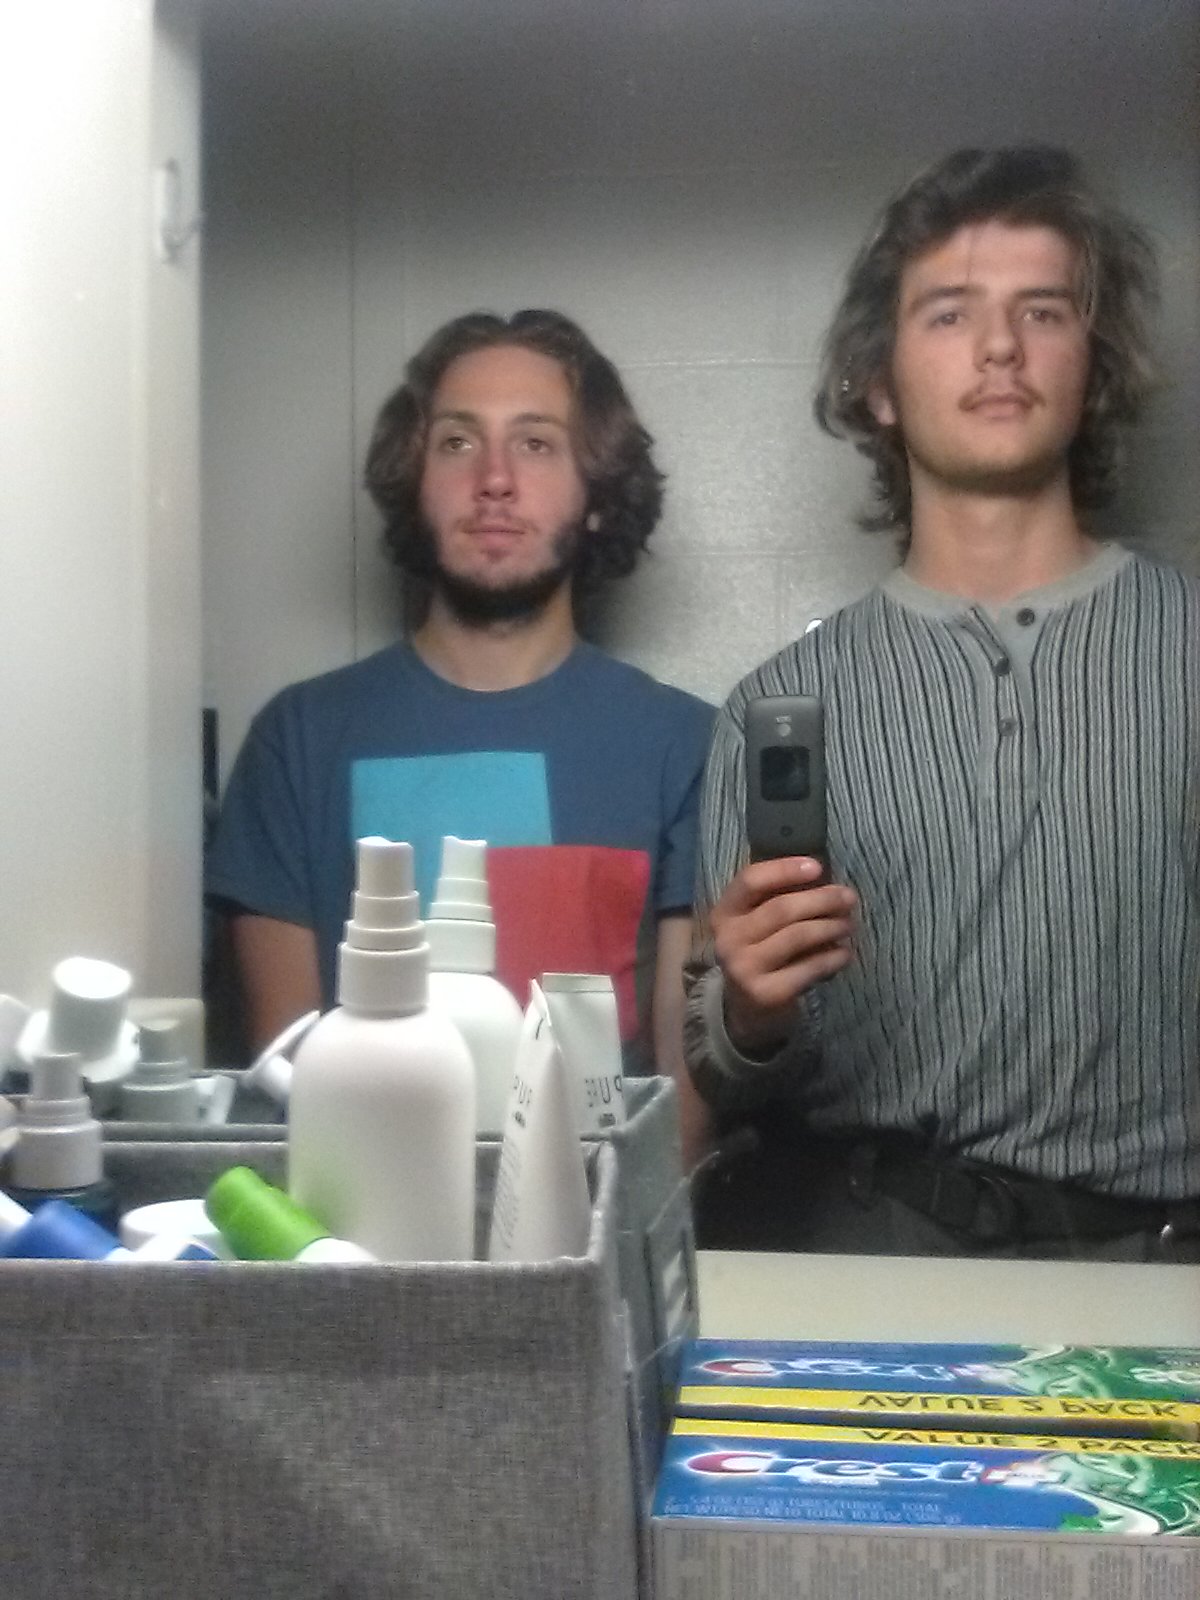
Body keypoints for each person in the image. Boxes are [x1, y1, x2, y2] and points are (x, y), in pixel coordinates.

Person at [684, 146, 1200, 1261]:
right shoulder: (777, 706)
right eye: (950, 313)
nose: (1000, 347)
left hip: (1162, 1270)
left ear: (1093, 366)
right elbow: (717, 1070)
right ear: (878, 383)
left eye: (1043, 312)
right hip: (873, 1256)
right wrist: (750, 1011)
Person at [207, 309, 714, 1138]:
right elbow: (286, 1088)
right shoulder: (297, 739)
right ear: (415, 482)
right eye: (456, 441)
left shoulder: (686, 746)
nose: (495, 479)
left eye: (537, 443)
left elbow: (680, 1102)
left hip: (596, 1211)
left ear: (595, 494)